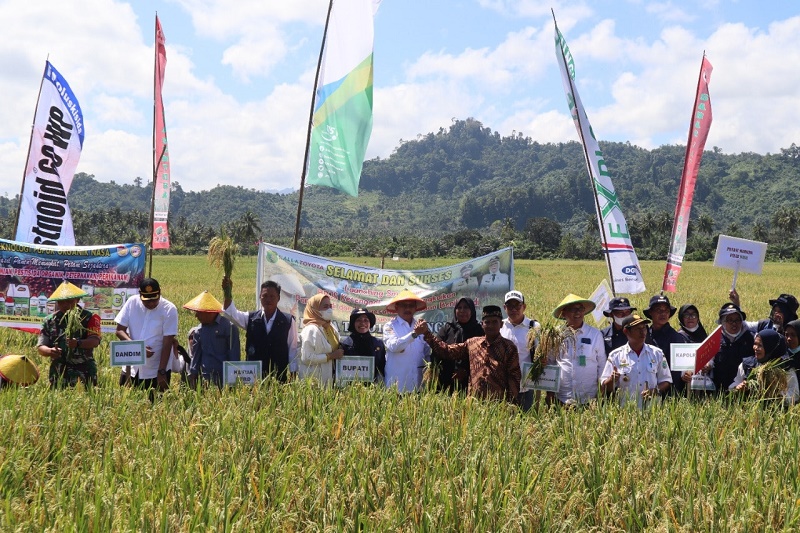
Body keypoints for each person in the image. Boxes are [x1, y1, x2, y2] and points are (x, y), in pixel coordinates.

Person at [416, 305, 521, 404]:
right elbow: (447, 351)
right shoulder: (473, 343)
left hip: (498, 405)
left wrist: (510, 404)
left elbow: (514, 377)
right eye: (487, 322)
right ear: (482, 324)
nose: (491, 326)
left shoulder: (508, 347)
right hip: (474, 404)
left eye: (495, 322)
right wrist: (427, 333)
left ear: (501, 324)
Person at [223, 278, 298, 381]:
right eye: (265, 296)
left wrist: (293, 374)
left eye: (272, 296)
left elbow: (292, 349)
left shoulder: (288, 321)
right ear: (260, 297)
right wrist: (227, 291)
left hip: (278, 376)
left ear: (278, 298)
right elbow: (231, 314)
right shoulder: (251, 318)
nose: (268, 299)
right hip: (253, 377)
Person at [115, 277, 179, 393]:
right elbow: (120, 330)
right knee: (126, 403)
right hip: (131, 367)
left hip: (155, 369)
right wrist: (138, 348)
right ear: (140, 294)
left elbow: (168, 342)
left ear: (160, 292)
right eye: (146, 300)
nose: (151, 303)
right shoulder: (132, 302)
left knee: (155, 405)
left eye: (154, 299)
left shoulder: (169, 309)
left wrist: (162, 371)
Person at [37, 281, 101, 388]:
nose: (65, 305)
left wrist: (78, 343)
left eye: (69, 301)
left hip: (84, 370)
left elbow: (95, 341)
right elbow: (41, 347)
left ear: (77, 300)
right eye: (61, 302)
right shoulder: (49, 321)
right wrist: (50, 351)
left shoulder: (90, 318)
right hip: (59, 371)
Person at [601, 314, 672, 408]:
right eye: (638, 329)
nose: (643, 332)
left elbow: (666, 380)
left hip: (652, 410)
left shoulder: (657, 353)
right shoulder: (615, 356)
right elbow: (604, 388)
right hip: (626, 411)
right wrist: (612, 380)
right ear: (626, 331)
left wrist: (655, 390)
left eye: (644, 328)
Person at [548, 294, 606, 406]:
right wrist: (550, 393)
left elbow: (602, 364)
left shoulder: (595, 334)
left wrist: (601, 392)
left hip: (588, 398)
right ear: (564, 313)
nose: (578, 312)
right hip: (562, 397)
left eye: (580, 309)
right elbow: (551, 363)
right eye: (573, 309)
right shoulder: (556, 334)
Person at [184, 291, 240, 389]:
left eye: (199, 312)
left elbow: (234, 355)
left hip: (225, 379)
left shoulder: (229, 328)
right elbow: (196, 356)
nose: (196, 316)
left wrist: (233, 379)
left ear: (209, 312)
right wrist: (193, 375)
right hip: (206, 379)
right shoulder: (198, 331)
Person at [730, 329, 799, 405]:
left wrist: (778, 396)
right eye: (755, 344)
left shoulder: (784, 368)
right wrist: (738, 388)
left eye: (760, 345)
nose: (755, 348)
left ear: (771, 348)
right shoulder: (747, 365)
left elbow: (795, 393)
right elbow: (733, 385)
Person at [383, 289, 431, 392]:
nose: (407, 309)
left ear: (415, 308)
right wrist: (414, 334)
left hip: (419, 387)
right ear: (396, 307)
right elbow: (394, 346)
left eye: (411, 306)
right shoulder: (390, 326)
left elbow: (427, 352)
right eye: (404, 305)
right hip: (397, 388)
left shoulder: (421, 326)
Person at [431, 297, 483, 392]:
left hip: (470, 383)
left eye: (466, 307)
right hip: (446, 381)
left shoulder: (479, 331)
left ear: (472, 310)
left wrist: (465, 371)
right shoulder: (447, 329)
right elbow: (437, 349)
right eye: (459, 307)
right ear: (455, 310)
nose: (462, 311)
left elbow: (482, 357)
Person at [500, 290, 540, 410]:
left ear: (524, 307)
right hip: (503, 386)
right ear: (504, 307)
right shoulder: (500, 326)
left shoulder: (534, 327)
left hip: (525, 386)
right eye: (510, 306)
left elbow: (540, 353)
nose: (514, 309)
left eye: (517, 306)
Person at [642, 294, 689, 394]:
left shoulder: (676, 337)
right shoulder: (644, 334)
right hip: (645, 388)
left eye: (666, 310)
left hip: (669, 393)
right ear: (651, 312)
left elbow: (678, 371)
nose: (663, 314)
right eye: (659, 310)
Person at [708, 303, 754, 393]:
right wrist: (708, 364)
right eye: (730, 320)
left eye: (737, 320)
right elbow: (708, 358)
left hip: (743, 390)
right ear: (723, 322)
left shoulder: (751, 338)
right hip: (719, 390)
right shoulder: (714, 338)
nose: (734, 324)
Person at [298, 294, 342, 386]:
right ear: (314, 309)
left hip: (332, 380)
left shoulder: (331, 327)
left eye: (330, 306)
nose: (329, 310)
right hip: (314, 383)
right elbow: (306, 358)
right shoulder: (310, 330)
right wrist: (330, 356)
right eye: (325, 307)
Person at [340, 308, 386, 384]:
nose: (362, 323)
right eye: (358, 320)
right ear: (353, 323)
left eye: (366, 320)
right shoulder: (345, 344)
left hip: (373, 390)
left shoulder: (378, 344)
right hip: (349, 389)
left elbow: (383, 368)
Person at [729, 290, 799, 334]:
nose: (776, 314)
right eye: (775, 310)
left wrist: (780, 329)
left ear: (788, 315)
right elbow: (744, 326)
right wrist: (736, 304)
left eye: (780, 311)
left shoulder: (795, 331)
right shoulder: (765, 324)